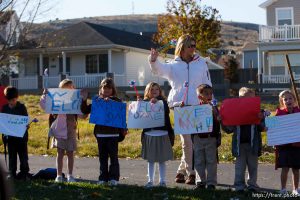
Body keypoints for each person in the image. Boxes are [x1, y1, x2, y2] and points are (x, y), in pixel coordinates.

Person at [149, 34, 212, 184]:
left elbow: (207, 82)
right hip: (180, 106)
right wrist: (153, 60)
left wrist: (209, 101)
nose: (193, 48)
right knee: (187, 142)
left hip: (198, 106)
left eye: (194, 45)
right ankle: (191, 173)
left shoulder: (201, 63)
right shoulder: (173, 65)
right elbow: (159, 70)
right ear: (182, 47)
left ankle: (181, 170)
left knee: (193, 142)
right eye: (190, 45)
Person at [81, 78, 127, 186]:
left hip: (113, 134)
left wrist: (123, 130)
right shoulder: (97, 102)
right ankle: (103, 178)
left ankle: (114, 178)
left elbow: (121, 117)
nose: (106, 90)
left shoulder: (117, 102)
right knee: (102, 158)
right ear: (100, 89)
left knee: (114, 158)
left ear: (112, 90)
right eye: (104, 88)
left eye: (108, 88)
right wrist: (83, 99)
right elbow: (85, 110)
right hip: (101, 135)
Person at [40, 79, 86, 183]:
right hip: (59, 130)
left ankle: (70, 175)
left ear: (73, 89)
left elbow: (82, 115)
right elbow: (44, 105)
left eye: (70, 88)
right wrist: (45, 95)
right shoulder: (56, 100)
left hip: (71, 131)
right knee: (60, 153)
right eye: (65, 89)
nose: (68, 91)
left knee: (70, 153)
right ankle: (59, 175)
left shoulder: (76, 101)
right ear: (60, 90)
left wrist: (84, 100)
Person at [222, 87, 265, 192]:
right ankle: (239, 186)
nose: (247, 102)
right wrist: (222, 121)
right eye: (244, 99)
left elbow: (263, 128)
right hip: (239, 146)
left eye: (251, 100)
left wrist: (260, 118)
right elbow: (228, 129)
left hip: (253, 145)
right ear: (239, 99)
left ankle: (252, 185)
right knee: (239, 167)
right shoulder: (235, 113)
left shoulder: (259, 113)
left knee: (253, 166)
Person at [140, 82, 174, 188]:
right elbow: (140, 116)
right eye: (152, 89)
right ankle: (150, 181)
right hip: (149, 134)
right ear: (147, 92)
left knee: (161, 160)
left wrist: (157, 103)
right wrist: (139, 105)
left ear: (160, 91)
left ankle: (162, 181)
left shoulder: (163, 102)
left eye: (156, 89)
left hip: (162, 134)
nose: (154, 91)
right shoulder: (144, 103)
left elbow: (166, 111)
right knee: (151, 160)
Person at [192, 84, 221, 190]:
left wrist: (216, 114)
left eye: (210, 93)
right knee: (199, 161)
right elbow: (189, 122)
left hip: (211, 138)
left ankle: (211, 183)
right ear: (200, 96)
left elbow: (218, 120)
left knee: (211, 161)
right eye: (206, 93)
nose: (209, 95)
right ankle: (200, 182)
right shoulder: (195, 108)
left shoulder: (214, 107)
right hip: (198, 138)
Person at [274, 90, 300, 195]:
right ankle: (283, 189)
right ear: (282, 101)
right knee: (285, 168)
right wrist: (266, 120)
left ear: (294, 100)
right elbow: (270, 127)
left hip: (297, 146)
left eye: (290, 98)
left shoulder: (298, 112)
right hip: (284, 146)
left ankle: (295, 189)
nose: (288, 100)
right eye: (285, 99)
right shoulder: (279, 113)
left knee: (296, 169)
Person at [2, 86, 30, 180]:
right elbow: (3, 123)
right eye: (9, 100)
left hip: (21, 138)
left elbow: (25, 121)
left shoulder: (22, 107)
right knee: (12, 157)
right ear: (7, 99)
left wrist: (26, 125)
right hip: (10, 138)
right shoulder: (4, 108)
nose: (11, 102)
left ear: (17, 98)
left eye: (13, 100)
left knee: (23, 157)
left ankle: (24, 174)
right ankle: (12, 174)